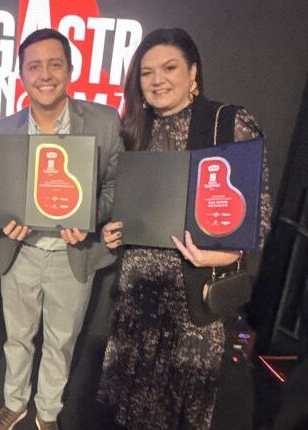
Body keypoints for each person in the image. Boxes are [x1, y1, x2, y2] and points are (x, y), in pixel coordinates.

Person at [98, 28, 272, 430]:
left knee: (180, 411)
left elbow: (258, 218)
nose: (157, 80)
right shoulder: (135, 132)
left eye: (170, 68)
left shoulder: (227, 123)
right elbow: (130, 208)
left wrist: (225, 253)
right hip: (137, 296)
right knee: (135, 411)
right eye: (147, 72)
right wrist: (114, 232)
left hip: (192, 299)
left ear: (193, 72)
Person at [0, 28, 124, 430]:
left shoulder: (103, 121)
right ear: (22, 74)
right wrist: (5, 220)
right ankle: (15, 404)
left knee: (61, 342)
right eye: (34, 66)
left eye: (54, 64)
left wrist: (89, 218)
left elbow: (115, 185)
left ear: (70, 69)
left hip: (72, 254)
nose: (45, 74)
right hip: (21, 252)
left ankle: (47, 413)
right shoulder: (2, 130)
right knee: (17, 338)